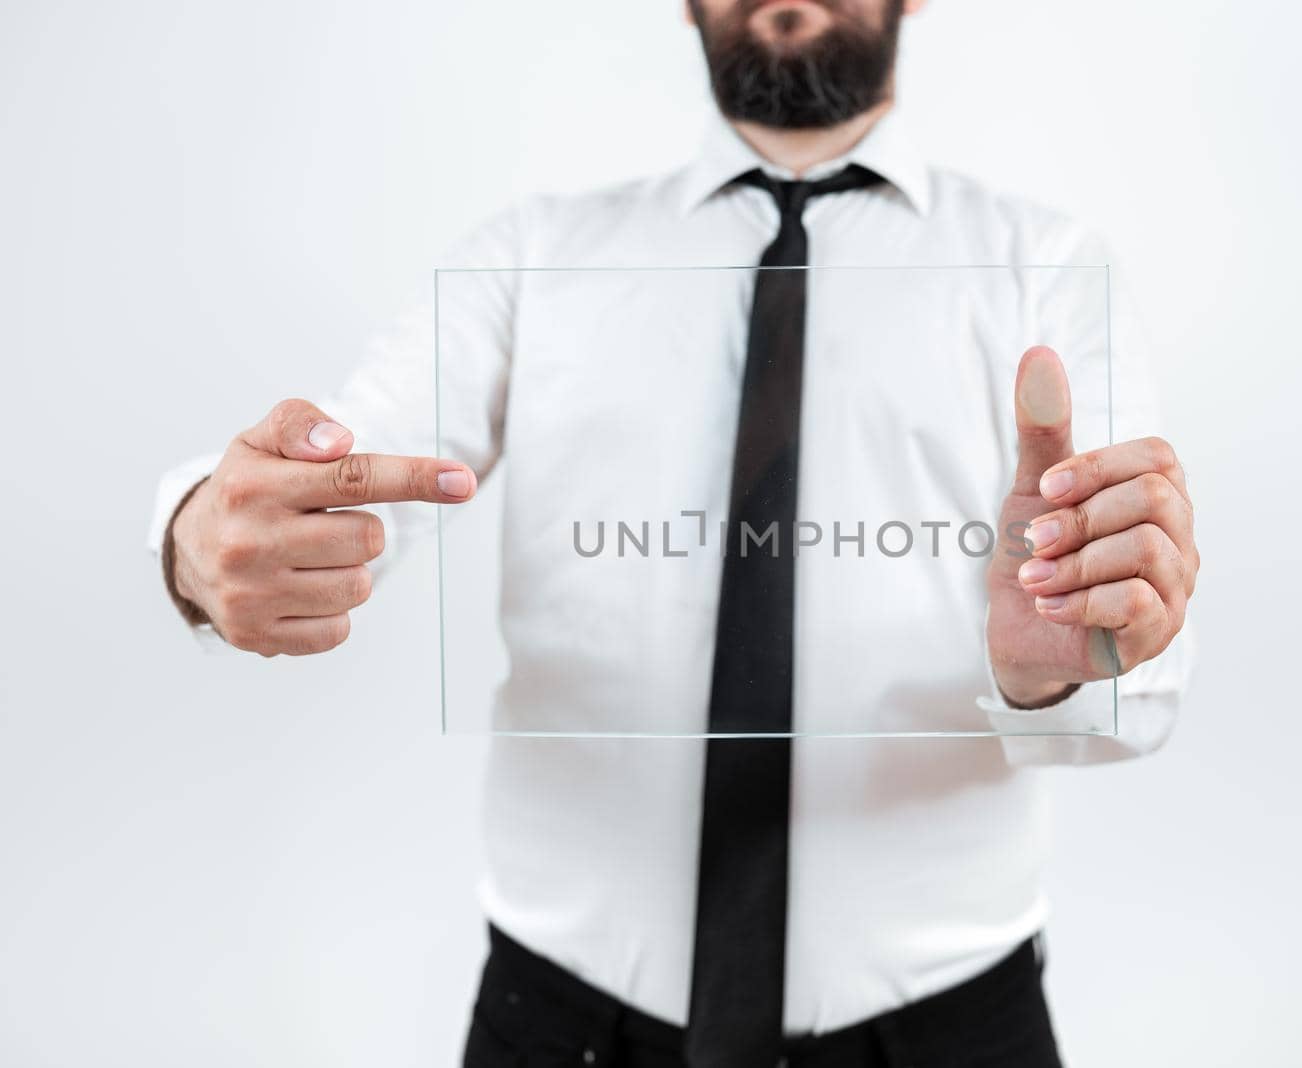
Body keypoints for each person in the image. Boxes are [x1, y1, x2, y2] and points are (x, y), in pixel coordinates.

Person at [149, 1, 1200, 1065]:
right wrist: (203, 538)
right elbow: (336, 480)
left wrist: (1061, 670)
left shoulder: (1049, 267)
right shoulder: (531, 258)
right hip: (560, 1023)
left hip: (953, 1028)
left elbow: (1139, 693)